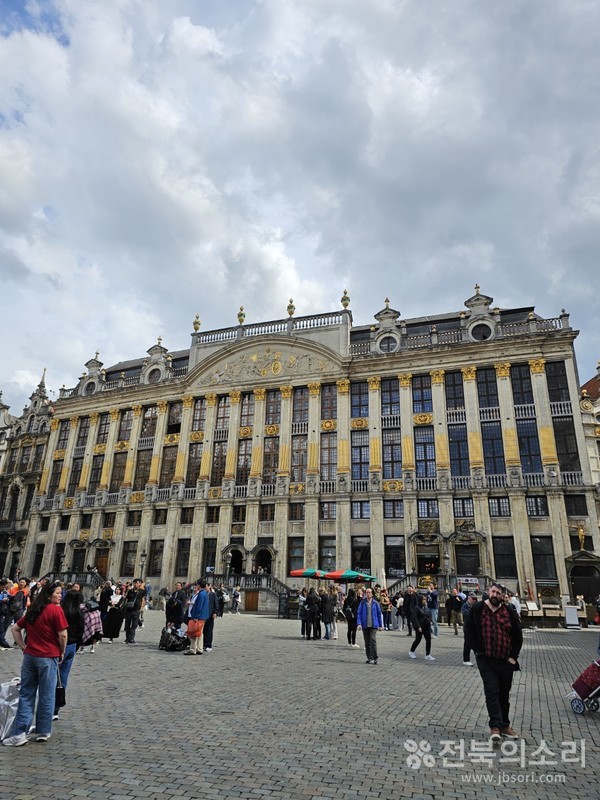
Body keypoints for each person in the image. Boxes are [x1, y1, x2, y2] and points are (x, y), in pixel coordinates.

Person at [3, 580, 68, 746]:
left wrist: (24, 647)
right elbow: (63, 635)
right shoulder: (55, 610)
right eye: (58, 593)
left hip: (30, 656)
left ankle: (20, 733)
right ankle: (43, 730)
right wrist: (61, 651)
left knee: (27, 694)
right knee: (47, 694)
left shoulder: (34, 610)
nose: (60, 596)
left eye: (61, 593)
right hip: (48, 657)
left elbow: (15, 629)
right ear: (48, 594)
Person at [464, 582, 523, 743]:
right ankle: (495, 727)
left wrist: (513, 657)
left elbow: (517, 634)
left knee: (504, 694)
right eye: (493, 592)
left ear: (503, 596)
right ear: (488, 592)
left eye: (499, 593)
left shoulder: (508, 611)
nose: (495, 595)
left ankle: (505, 725)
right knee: (492, 691)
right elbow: (468, 630)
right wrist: (477, 651)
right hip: (486, 660)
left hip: (505, 660)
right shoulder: (478, 609)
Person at [55, 590, 85, 718]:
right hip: (72, 646)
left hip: (59, 646)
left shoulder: (61, 612)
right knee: (63, 677)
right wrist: (77, 645)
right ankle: (56, 707)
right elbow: (81, 631)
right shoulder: (78, 613)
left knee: (53, 676)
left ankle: (49, 705)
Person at [356, 587, 384, 665]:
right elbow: (359, 613)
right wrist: (359, 624)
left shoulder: (376, 603)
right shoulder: (362, 602)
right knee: (367, 642)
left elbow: (379, 614)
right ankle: (369, 657)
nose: (367, 594)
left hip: (373, 625)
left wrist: (380, 625)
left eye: (369, 592)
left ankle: (375, 658)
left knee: (373, 640)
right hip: (365, 625)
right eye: (366, 592)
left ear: (372, 594)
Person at [184, 580, 210, 655]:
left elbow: (199, 606)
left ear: (199, 585)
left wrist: (196, 616)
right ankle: (199, 648)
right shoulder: (204, 593)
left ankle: (193, 649)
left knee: (194, 632)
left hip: (199, 616)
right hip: (203, 616)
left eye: (197, 585)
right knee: (200, 633)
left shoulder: (201, 594)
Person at [408, 595, 435, 661]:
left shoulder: (426, 607)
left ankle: (427, 654)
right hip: (420, 627)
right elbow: (414, 618)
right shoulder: (416, 608)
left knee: (428, 640)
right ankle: (411, 651)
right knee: (418, 640)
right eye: (423, 600)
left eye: (425, 600)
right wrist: (418, 626)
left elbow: (429, 615)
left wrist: (431, 621)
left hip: (427, 626)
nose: (425, 601)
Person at [123, 578, 146, 644]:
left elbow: (143, 600)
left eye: (137, 583)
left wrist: (141, 608)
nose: (136, 584)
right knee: (127, 625)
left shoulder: (141, 591)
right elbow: (126, 599)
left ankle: (131, 638)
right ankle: (127, 638)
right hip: (129, 610)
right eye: (135, 583)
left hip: (136, 610)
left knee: (134, 625)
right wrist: (125, 607)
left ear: (139, 584)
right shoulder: (130, 591)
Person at [461, 593, 478, 665]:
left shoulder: (476, 605)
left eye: (475, 599)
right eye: (473, 599)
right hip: (468, 627)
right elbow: (466, 615)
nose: (474, 600)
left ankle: (479, 659)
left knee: (476, 643)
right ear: (469, 598)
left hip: (474, 627)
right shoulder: (465, 606)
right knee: (467, 643)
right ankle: (466, 660)